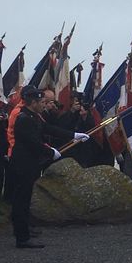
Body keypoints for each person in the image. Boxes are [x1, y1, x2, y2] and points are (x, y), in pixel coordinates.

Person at [10, 86, 90, 249]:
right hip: (23, 165)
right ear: (33, 102)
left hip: (29, 164)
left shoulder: (33, 116)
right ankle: (22, 237)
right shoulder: (24, 118)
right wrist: (50, 152)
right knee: (21, 200)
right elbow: (32, 142)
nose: (44, 105)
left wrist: (73, 135)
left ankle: (24, 230)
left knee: (25, 198)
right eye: (41, 102)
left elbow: (49, 129)